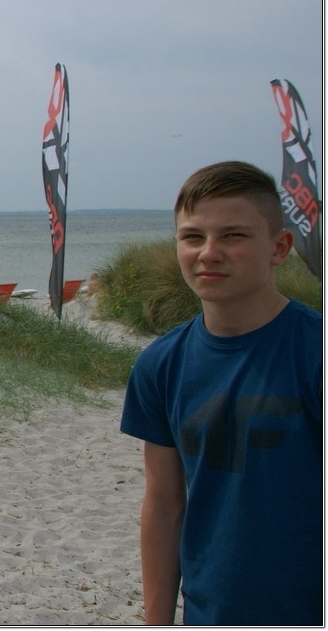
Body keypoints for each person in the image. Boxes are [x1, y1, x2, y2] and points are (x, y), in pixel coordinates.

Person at [119, 160, 323, 625]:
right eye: (193, 237)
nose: (209, 253)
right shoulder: (161, 364)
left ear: (279, 247)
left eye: (233, 236)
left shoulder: (314, 352)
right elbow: (164, 506)